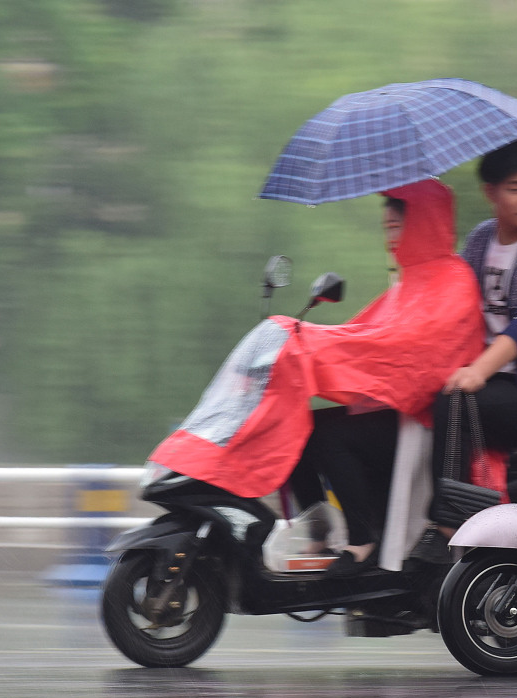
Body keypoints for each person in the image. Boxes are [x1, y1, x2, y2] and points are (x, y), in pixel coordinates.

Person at [149, 178, 485, 576]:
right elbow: (368, 337)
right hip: (396, 409)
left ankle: (361, 542)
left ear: (426, 221)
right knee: (295, 425)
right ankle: (318, 534)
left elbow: (407, 350)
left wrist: (314, 347)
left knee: (332, 437)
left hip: (423, 420)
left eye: (399, 222)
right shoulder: (411, 282)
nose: (390, 233)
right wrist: (303, 342)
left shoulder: (452, 279)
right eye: (388, 225)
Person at [410, 139, 517, 560]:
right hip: (487, 383)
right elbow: (454, 304)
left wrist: (477, 371)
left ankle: (448, 522)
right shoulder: (480, 241)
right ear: (491, 192)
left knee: (457, 401)